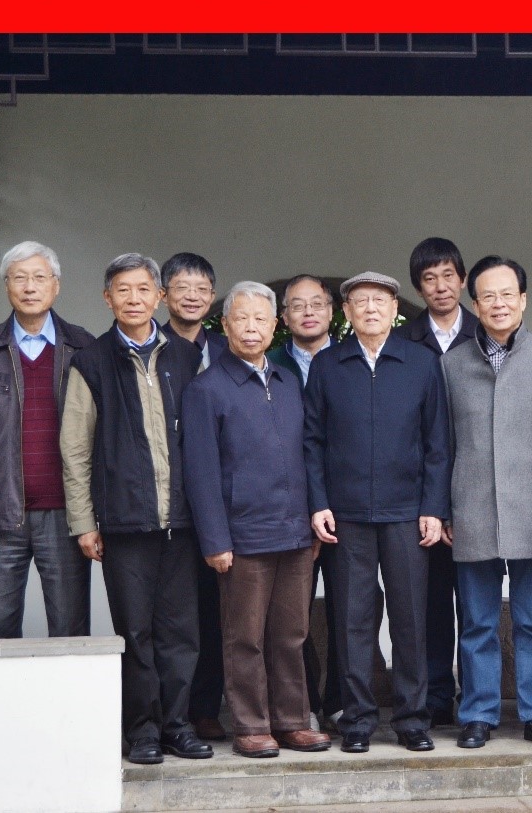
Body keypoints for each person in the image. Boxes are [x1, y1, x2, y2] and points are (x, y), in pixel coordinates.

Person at [60, 253, 212, 766]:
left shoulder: (186, 358)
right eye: (122, 290)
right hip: (124, 523)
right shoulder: (92, 362)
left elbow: (206, 441)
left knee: (182, 632)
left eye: (143, 289)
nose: (134, 299)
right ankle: (143, 729)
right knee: (136, 632)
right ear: (108, 299)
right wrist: (84, 522)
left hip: (182, 522)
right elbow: (75, 449)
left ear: (159, 297)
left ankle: (177, 726)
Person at [440, 256, 532, 751]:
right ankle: (478, 714)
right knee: (477, 622)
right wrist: (444, 509)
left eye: (508, 294)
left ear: (524, 300)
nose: (499, 304)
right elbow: (442, 444)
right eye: (488, 296)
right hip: (472, 508)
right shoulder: (452, 364)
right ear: (475, 303)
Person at [182, 281, 331, 758]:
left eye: (260, 319)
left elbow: (308, 454)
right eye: (241, 318)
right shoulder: (206, 389)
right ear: (225, 325)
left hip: (294, 532)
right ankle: (250, 724)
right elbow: (201, 471)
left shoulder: (288, 383)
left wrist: (312, 517)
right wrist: (215, 540)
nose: (251, 327)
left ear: (274, 325)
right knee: (244, 637)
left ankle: (292, 720)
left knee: (291, 635)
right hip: (242, 537)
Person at [304, 271, 450, 754]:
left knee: (411, 619)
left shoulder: (421, 362)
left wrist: (434, 507)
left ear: (394, 310)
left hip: (407, 513)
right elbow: (311, 441)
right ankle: (358, 719)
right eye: (360, 301)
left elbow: (438, 443)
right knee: (353, 620)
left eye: (380, 301)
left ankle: (412, 718)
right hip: (345, 515)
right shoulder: (328, 365)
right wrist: (319, 502)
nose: (370, 308)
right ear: (346, 312)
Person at [0, 241, 94, 640]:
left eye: (39, 277)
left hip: (67, 514)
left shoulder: (83, 348)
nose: (29, 287)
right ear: (6, 285)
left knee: (71, 631)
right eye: (19, 278)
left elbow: (104, 434)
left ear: (56, 285)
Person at [393, 236, 479, 727]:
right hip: (422, 493)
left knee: (475, 601)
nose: (441, 286)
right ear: (418, 287)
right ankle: (437, 695)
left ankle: (478, 698)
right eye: (429, 278)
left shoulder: (486, 333)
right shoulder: (404, 341)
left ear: (462, 280)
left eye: (449, 275)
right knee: (430, 602)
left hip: (476, 487)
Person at [266, 273, 343, 730]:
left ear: (332, 311)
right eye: (297, 305)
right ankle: (304, 703)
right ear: (283, 317)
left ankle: (340, 700)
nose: (308, 312)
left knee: (348, 609)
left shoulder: (352, 360)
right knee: (290, 613)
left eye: (317, 303)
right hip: (290, 506)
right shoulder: (269, 363)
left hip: (347, 506)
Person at [159, 252, 229, 743]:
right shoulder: (152, 347)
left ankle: (205, 708)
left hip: (224, 502)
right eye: (182, 288)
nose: (192, 297)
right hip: (169, 501)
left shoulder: (226, 349)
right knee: (173, 614)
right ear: (164, 294)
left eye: (202, 289)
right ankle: (169, 712)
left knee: (214, 610)